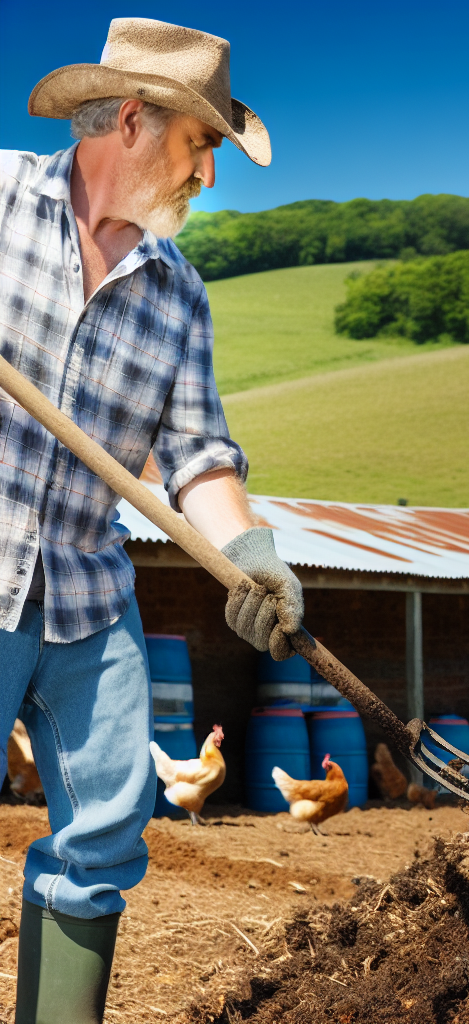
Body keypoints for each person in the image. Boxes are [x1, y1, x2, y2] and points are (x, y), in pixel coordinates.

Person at [0, 18, 303, 1022]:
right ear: (131, 119)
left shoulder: (179, 297)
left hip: (86, 592)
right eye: (200, 143)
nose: (208, 175)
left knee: (107, 831)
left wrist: (251, 557)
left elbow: (199, 456)